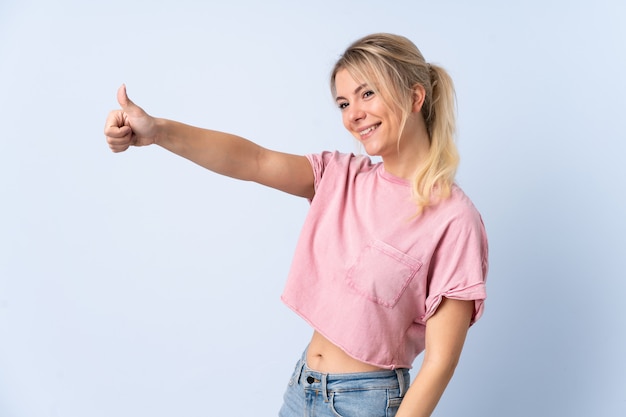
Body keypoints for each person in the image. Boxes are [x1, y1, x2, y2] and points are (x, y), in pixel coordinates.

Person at [104, 33, 488, 417]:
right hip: (302, 388)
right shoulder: (341, 176)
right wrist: (158, 132)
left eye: (367, 94)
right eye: (343, 102)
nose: (352, 114)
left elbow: (440, 363)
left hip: (365, 403)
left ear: (415, 97)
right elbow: (253, 160)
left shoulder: (454, 220)